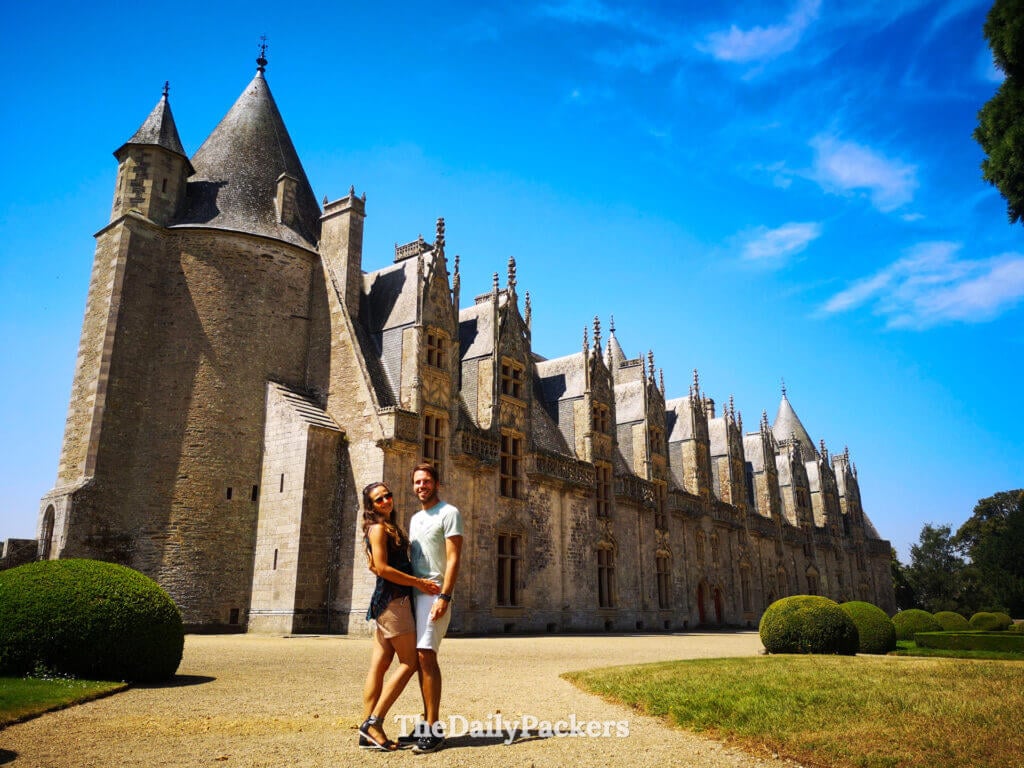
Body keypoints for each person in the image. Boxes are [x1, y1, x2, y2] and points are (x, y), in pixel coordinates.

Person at [359, 481, 440, 751]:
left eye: (387, 495)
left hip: (384, 600)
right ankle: (374, 722)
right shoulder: (379, 528)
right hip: (395, 602)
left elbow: (378, 566)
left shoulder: (384, 527)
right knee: (409, 663)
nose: (386, 501)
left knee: (379, 666)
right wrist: (418, 582)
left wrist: (381, 569)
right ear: (370, 506)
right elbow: (381, 567)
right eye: (379, 499)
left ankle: (366, 734)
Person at [407, 463, 463, 754]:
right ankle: (426, 721)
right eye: (417, 482)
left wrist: (445, 596)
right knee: (419, 658)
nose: (421, 486)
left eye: (426, 481)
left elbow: (453, 559)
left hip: (435, 594)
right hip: (415, 595)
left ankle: (434, 728)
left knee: (426, 655)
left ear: (436, 484)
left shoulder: (449, 513)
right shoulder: (415, 518)